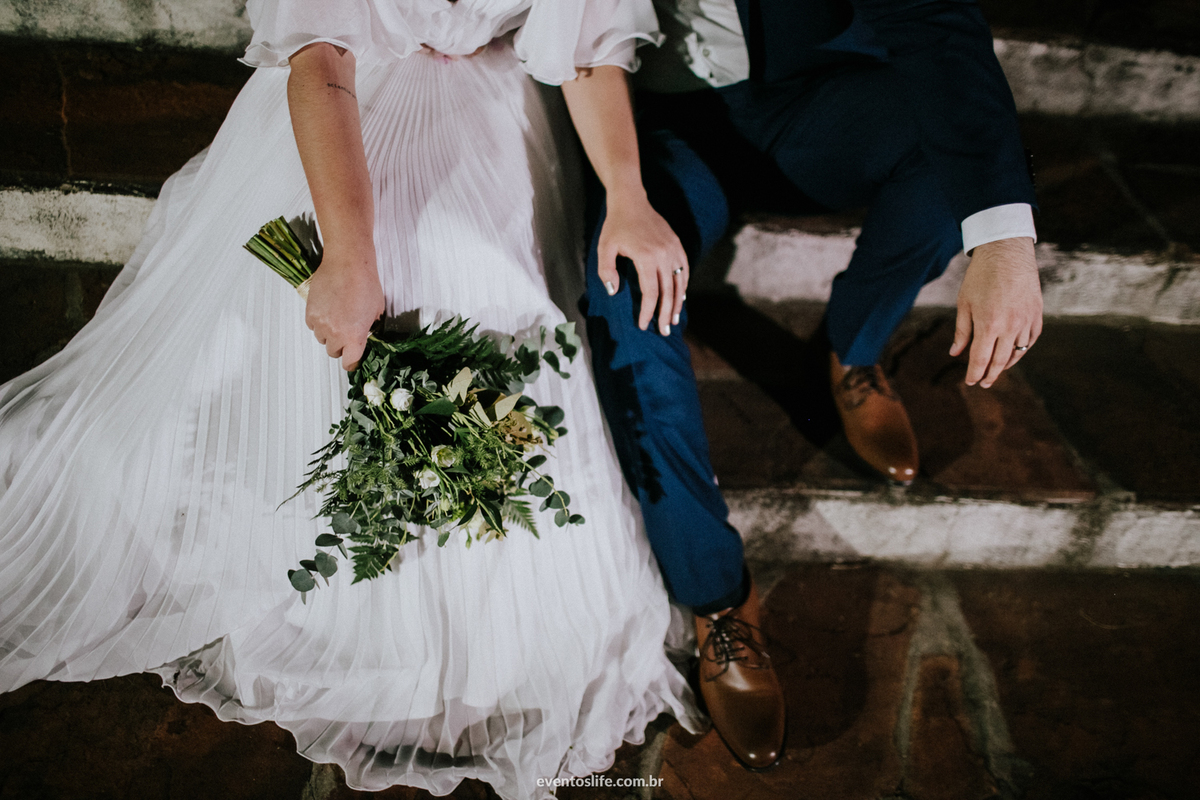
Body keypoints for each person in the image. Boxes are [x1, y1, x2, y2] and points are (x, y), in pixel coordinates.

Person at [0, 1, 706, 797]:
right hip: (348, 88)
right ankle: (322, 561)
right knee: (400, 251)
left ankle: (477, 597)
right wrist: (348, 255)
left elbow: (583, 51)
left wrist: (627, 195)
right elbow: (323, 60)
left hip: (498, 96)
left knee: (478, 265)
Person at [581, 0, 1042, 772]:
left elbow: (940, 24)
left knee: (948, 157)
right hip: (650, 120)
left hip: (811, 94)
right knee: (623, 290)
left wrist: (1003, 234)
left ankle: (853, 349)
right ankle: (718, 598)